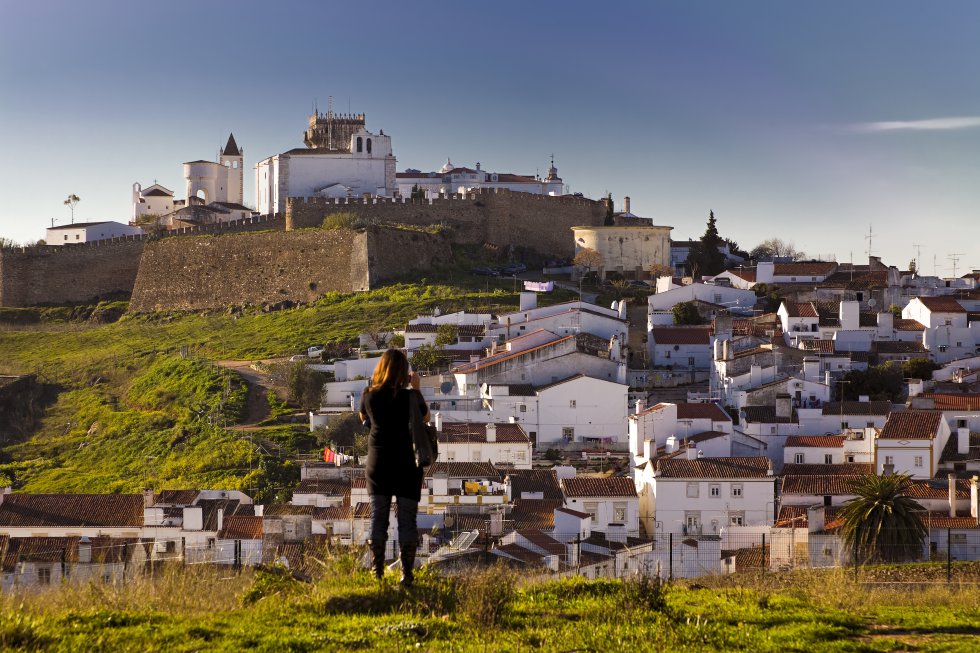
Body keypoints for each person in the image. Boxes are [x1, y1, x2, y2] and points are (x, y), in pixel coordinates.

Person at [358, 348, 429, 586]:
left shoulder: (369, 395)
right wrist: (416, 388)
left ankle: (377, 571)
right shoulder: (410, 397)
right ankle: (406, 575)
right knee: (407, 520)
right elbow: (425, 418)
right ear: (403, 372)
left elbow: (364, 418)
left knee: (378, 517)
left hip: (379, 462)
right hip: (407, 464)